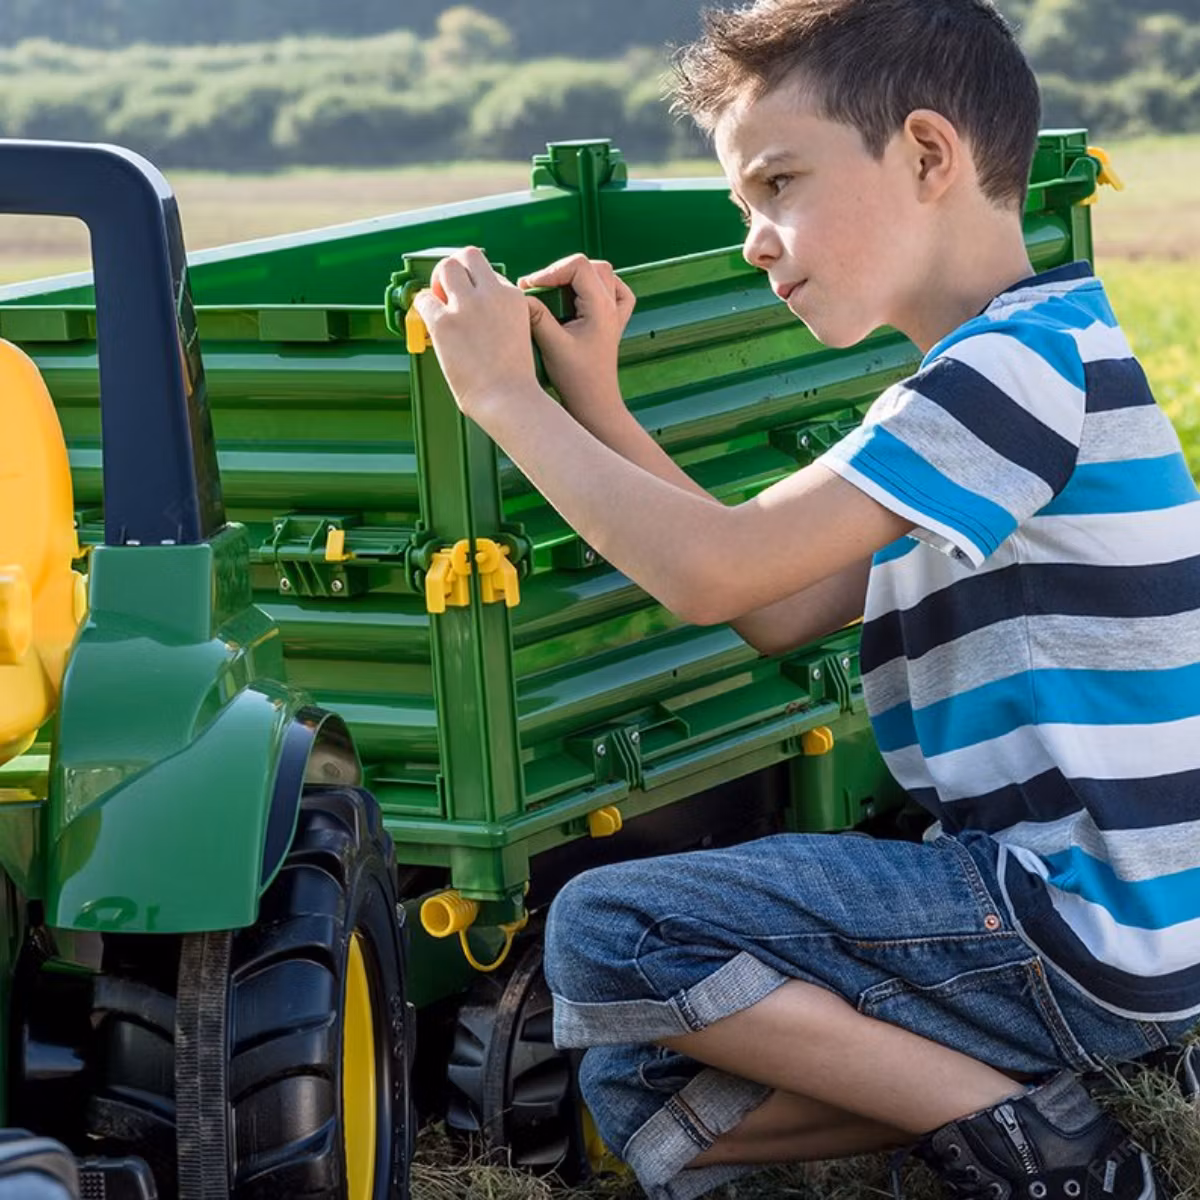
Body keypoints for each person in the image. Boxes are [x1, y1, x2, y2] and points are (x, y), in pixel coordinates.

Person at [411, 0, 1200, 1195]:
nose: (755, 241)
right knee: (646, 1099)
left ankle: (1058, 1159)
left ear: (929, 156)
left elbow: (712, 571)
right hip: (1122, 940)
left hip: (1075, 919)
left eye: (778, 185)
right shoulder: (1028, 358)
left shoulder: (1007, 374)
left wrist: (506, 402)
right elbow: (779, 602)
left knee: (608, 933)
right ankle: (1074, 1091)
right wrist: (603, 409)